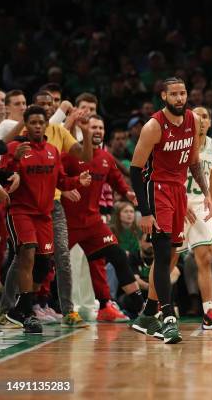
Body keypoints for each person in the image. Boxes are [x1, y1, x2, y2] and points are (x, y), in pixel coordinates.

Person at [129, 77, 212, 344]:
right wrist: (144, 211)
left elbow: (195, 162)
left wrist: (207, 193)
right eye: (173, 94)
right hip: (157, 190)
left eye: (183, 93)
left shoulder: (193, 121)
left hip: (179, 191)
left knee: (171, 253)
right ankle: (168, 319)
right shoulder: (153, 126)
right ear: (163, 96)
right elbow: (134, 169)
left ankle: (147, 315)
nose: (179, 98)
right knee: (164, 255)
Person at [0, 106, 91, 333]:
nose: (38, 126)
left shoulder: (52, 151)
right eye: (33, 123)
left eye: (41, 122)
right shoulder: (14, 148)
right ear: (26, 125)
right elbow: (3, 178)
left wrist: (78, 180)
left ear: (46, 124)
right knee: (27, 253)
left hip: (44, 215)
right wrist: (13, 162)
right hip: (20, 211)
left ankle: (19, 307)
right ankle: (28, 313)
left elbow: (62, 182)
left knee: (42, 264)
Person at [61, 114, 144, 322]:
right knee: (49, 265)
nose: (97, 131)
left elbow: (117, 181)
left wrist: (128, 193)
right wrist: (65, 190)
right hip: (67, 223)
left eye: (100, 128)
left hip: (93, 222)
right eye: (93, 127)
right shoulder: (70, 155)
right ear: (83, 130)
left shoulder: (106, 158)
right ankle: (32, 305)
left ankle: (138, 306)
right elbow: (56, 178)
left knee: (117, 255)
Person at [176, 106, 212, 329]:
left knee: (205, 258)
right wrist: (180, 202)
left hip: (201, 204)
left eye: (205, 117)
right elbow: (170, 176)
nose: (201, 120)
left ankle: (208, 312)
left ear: (210, 122)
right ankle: (154, 308)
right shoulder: (179, 143)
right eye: (197, 117)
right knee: (167, 261)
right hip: (178, 202)